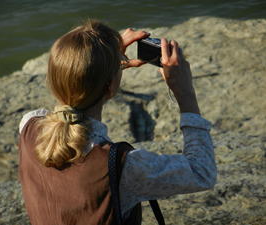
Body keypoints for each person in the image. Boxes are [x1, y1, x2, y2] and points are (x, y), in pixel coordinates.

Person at [18, 20, 217, 225]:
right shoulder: (123, 167)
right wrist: (186, 94)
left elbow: (70, 94)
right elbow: (202, 172)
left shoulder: (28, 126)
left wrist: (103, 64)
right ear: (110, 88)